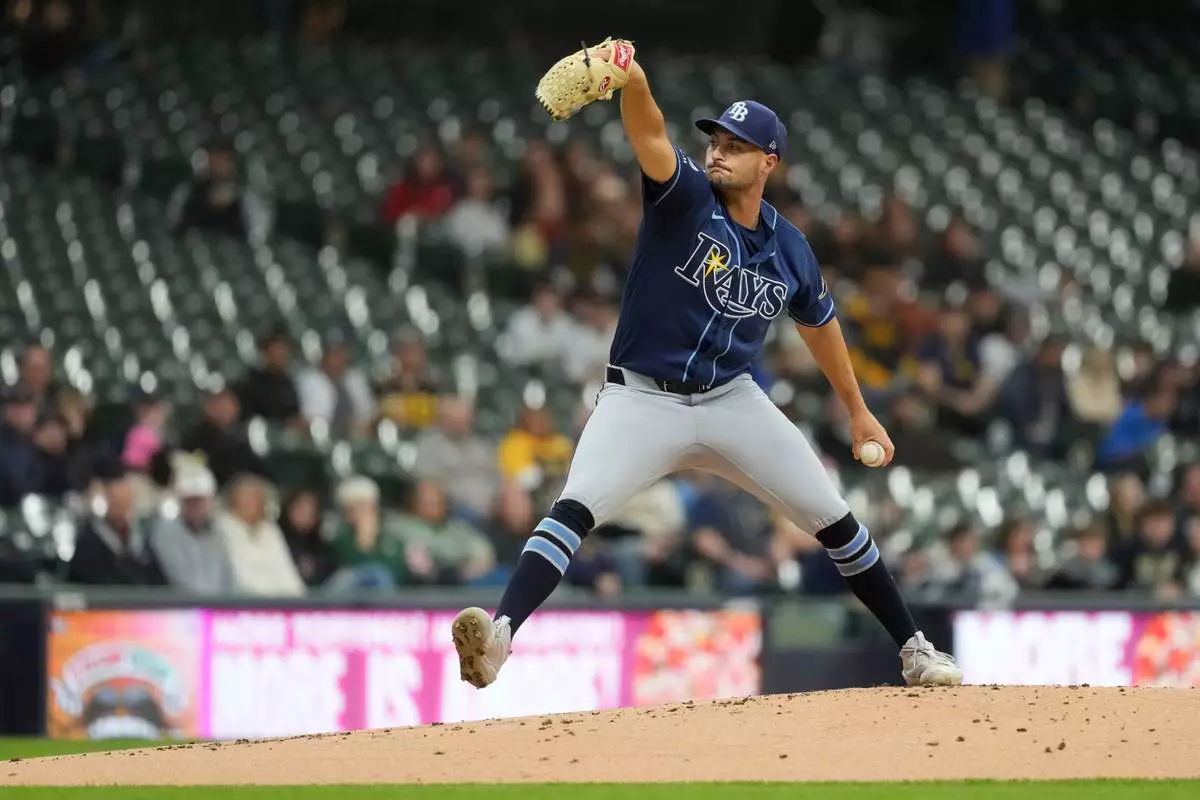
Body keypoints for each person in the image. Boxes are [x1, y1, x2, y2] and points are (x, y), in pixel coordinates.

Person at [452, 41, 961, 690]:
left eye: (736, 146)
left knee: (834, 517)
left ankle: (915, 650)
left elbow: (821, 324)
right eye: (716, 140)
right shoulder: (685, 198)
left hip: (730, 400)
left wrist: (859, 412)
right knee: (574, 508)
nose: (718, 152)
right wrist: (634, 79)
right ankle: (499, 638)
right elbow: (649, 133)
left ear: (768, 162)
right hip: (642, 399)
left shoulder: (791, 247)